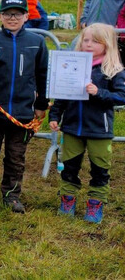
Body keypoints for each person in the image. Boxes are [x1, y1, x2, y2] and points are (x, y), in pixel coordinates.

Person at [0, 0, 48, 213]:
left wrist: (40, 103)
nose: (12, 18)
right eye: (7, 14)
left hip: (23, 113)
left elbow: (42, 75)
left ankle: (12, 194)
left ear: (26, 16)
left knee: (16, 156)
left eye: (17, 14)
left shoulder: (37, 42)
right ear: (0, 16)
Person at [49, 24, 125, 224]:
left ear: (107, 44)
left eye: (95, 41)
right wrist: (55, 116)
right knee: (69, 166)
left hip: (100, 130)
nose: (89, 44)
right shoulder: (71, 65)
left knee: (100, 168)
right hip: (72, 127)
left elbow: (121, 96)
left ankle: (96, 201)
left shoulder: (113, 70)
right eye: (86, 40)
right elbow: (61, 96)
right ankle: (67, 198)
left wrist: (99, 93)